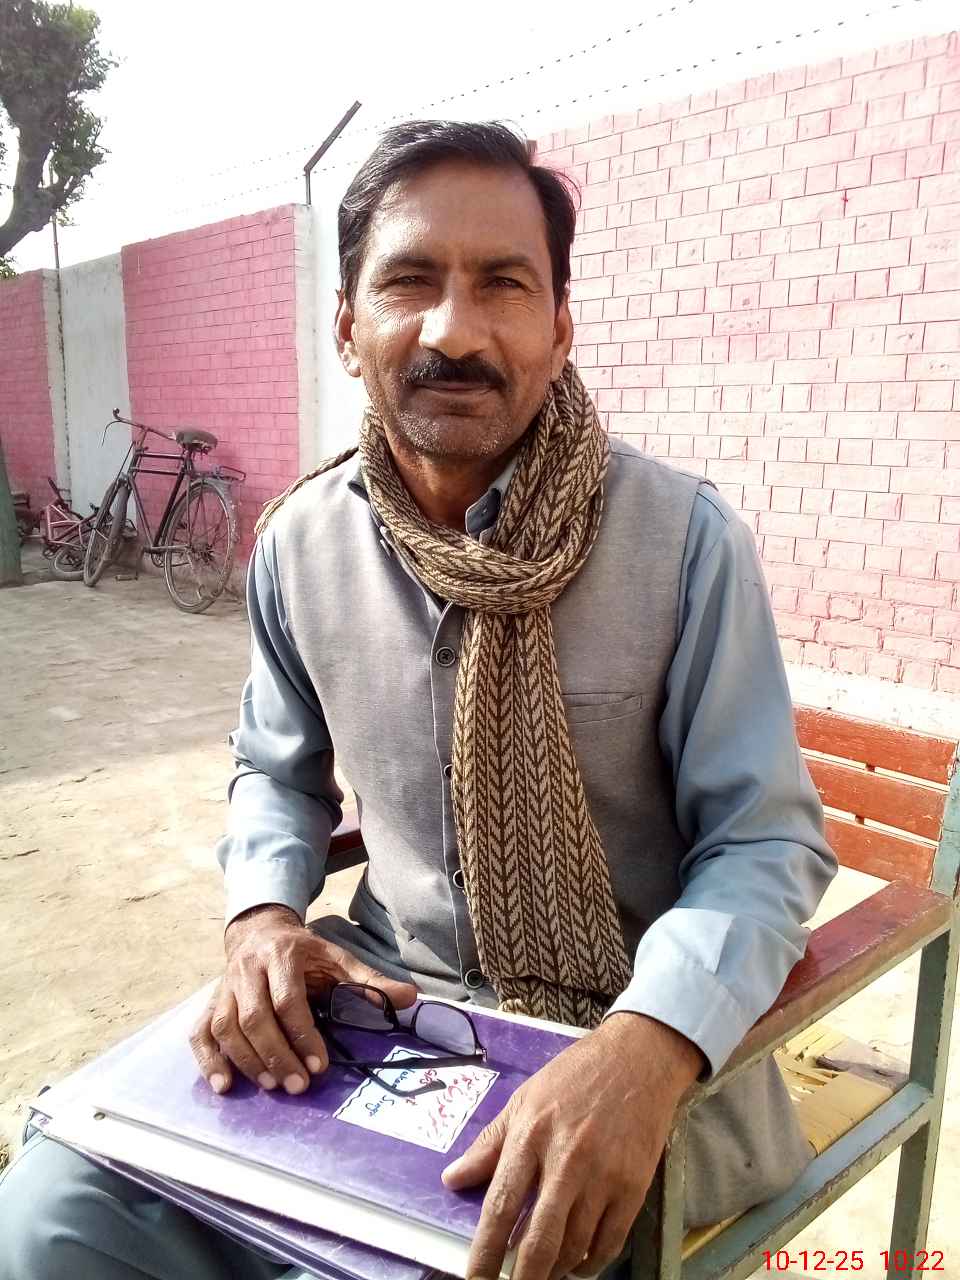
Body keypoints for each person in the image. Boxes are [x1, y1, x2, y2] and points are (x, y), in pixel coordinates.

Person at [0, 119, 836, 1280]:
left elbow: (764, 840)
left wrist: (647, 1046)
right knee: (47, 1213)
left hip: (619, 1041)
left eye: (504, 284)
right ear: (349, 325)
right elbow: (275, 770)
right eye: (409, 282)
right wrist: (262, 918)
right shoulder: (300, 543)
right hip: (380, 1016)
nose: (454, 330)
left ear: (560, 325)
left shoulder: (684, 544)